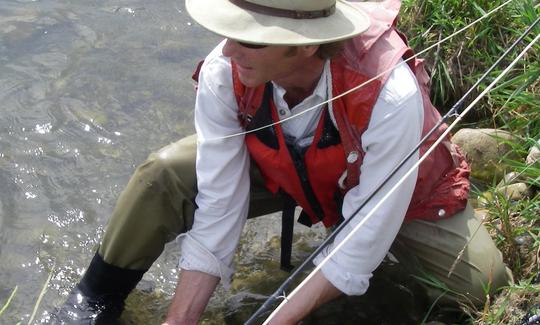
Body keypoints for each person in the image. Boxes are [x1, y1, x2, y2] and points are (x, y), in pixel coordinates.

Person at [54, 0, 513, 324]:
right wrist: (180, 319)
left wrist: (273, 320)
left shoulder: (389, 93)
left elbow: (361, 239)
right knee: (165, 174)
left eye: (248, 41)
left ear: (307, 46)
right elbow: (219, 210)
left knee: (483, 285)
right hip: (287, 169)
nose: (228, 51)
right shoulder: (224, 70)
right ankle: (92, 304)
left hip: (402, 191)